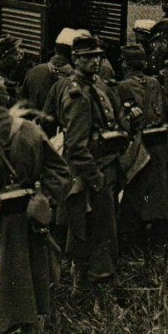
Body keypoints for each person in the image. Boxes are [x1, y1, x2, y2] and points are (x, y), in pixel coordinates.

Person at [0, 73, 70, 334]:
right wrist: (45, 197)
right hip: (30, 214)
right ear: (6, 99)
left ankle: (0, 329)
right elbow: (60, 171)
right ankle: (28, 331)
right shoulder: (32, 130)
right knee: (30, 268)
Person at [52, 35, 129, 288]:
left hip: (107, 167)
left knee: (103, 230)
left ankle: (89, 281)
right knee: (97, 232)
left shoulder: (99, 86)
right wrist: (96, 180)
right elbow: (75, 146)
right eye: (88, 57)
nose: (95, 61)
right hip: (91, 174)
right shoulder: (77, 94)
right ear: (75, 59)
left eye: (98, 56)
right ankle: (97, 285)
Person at [115, 44, 168, 264]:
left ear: (124, 64)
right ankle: (158, 249)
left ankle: (135, 252)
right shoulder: (155, 83)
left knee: (132, 199)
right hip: (157, 146)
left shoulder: (121, 87)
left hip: (136, 149)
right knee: (157, 197)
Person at [20, 28, 77, 111]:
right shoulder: (75, 78)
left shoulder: (34, 71)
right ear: (73, 54)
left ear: (55, 49)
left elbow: (22, 102)